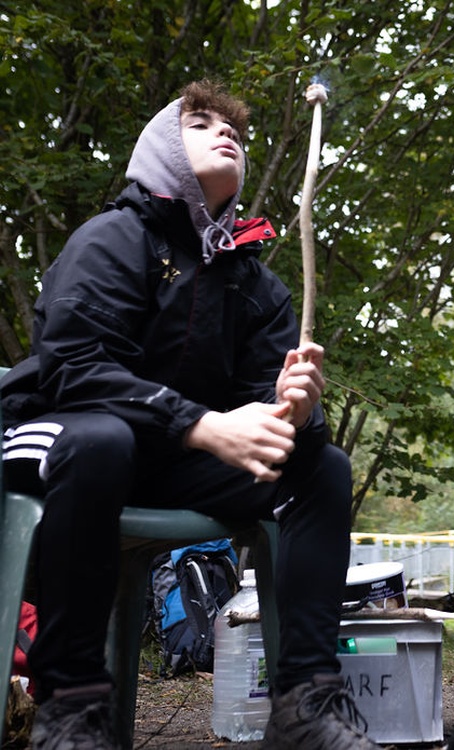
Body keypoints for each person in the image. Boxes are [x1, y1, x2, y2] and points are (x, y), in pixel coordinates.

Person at [0, 80, 378, 750]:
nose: (225, 132)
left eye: (234, 128)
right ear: (158, 149)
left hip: (170, 463)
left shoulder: (252, 280)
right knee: (102, 442)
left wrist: (297, 411)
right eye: (200, 123)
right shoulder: (114, 237)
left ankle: (305, 705)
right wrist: (200, 424)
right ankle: (73, 707)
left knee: (321, 467)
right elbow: (75, 369)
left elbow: (268, 417)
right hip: (58, 435)